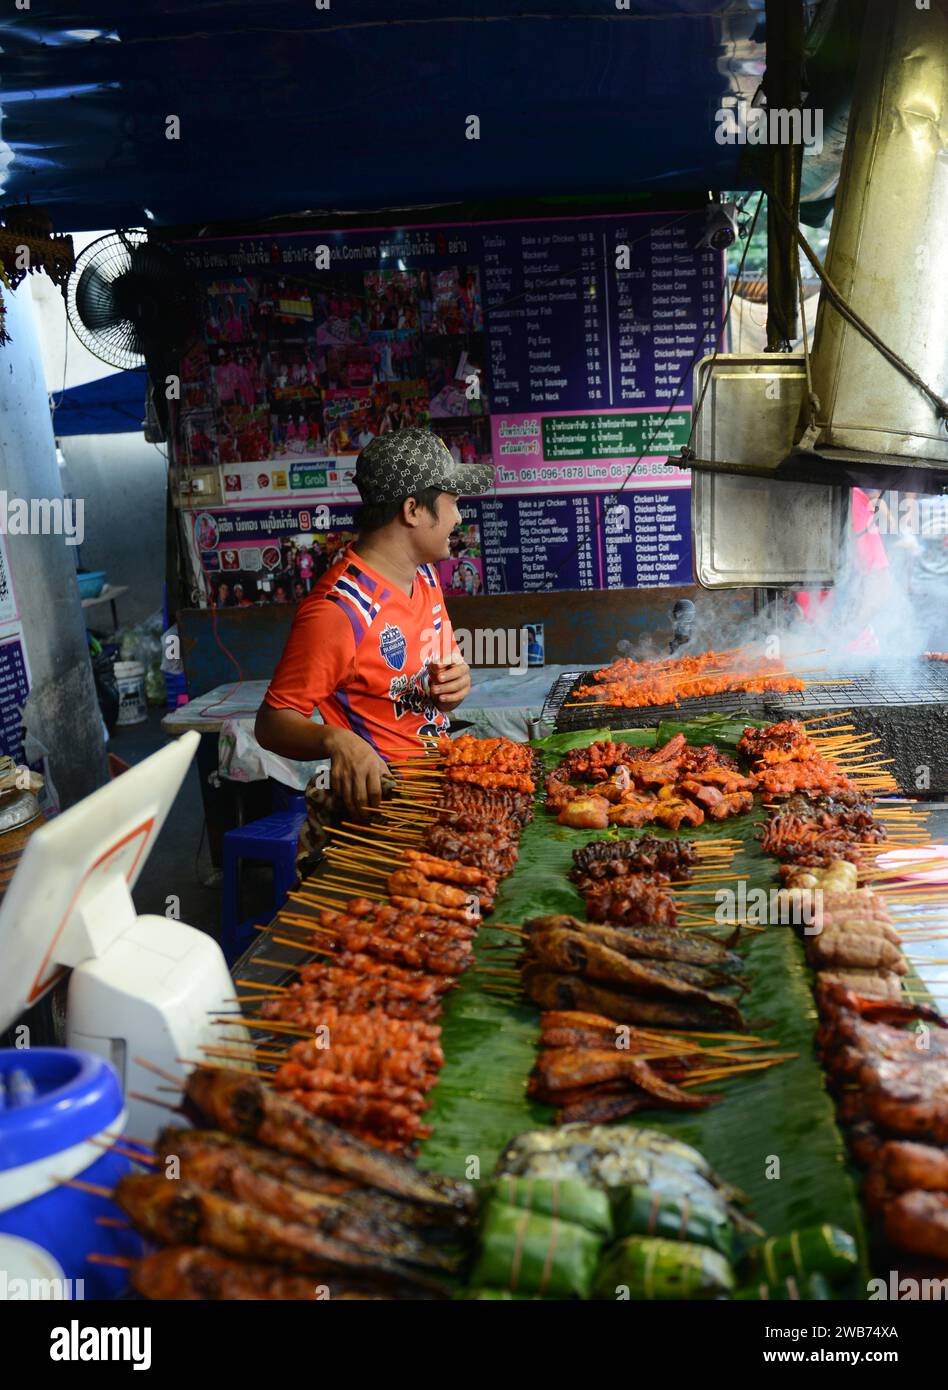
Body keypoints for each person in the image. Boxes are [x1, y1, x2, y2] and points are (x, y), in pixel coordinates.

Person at [255, 428, 495, 873]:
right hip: (381, 815)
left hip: (436, 792)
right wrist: (336, 739)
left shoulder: (424, 578)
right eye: (453, 502)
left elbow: (441, 670)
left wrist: (457, 681)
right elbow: (271, 723)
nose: (460, 518)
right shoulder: (338, 611)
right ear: (412, 511)